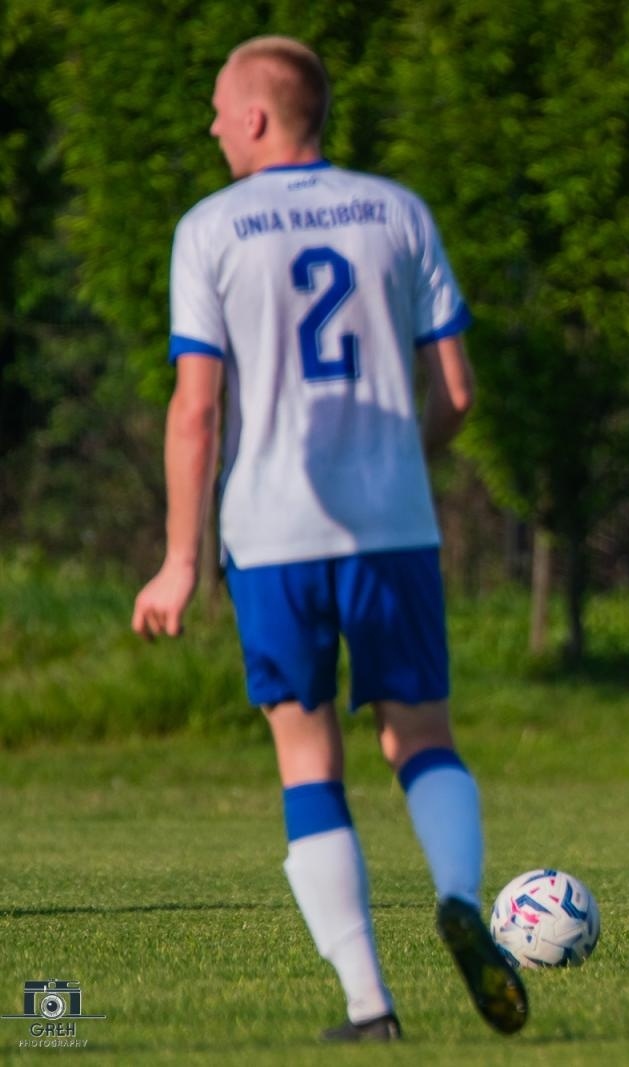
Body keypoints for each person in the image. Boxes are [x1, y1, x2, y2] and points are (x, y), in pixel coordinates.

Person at [130, 36, 526, 1040]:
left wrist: (180, 560)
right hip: (392, 525)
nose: (211, 124)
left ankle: (367, 1003)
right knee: (421, 734)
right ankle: (456, 894)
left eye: (219, 107)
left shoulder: (209, 229)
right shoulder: (398, 211)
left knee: (309, 757)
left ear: (258, 117)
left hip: (271, 534)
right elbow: (459, 394)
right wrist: (400, 453)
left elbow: (195, 411)